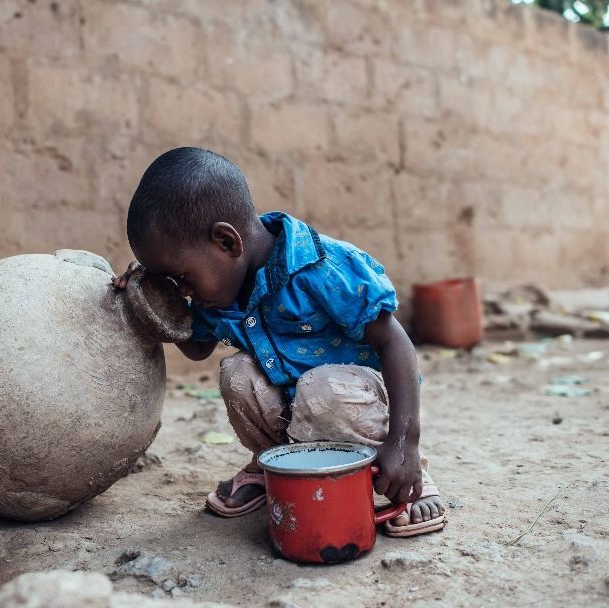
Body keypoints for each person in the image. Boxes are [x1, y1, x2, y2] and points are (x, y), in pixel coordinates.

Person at [111, 147, 446, 537]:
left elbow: (396, 343)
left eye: (182, 277)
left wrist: (405, 442)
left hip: (358, 402)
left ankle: (408, 481)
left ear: (226, 242)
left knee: (320, 389)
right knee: (236, 372)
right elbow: (197, 346)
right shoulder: (220, 286)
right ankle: (272, 463)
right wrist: (157, 298)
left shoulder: (322, 267)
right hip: (293, 408)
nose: (183, 290)